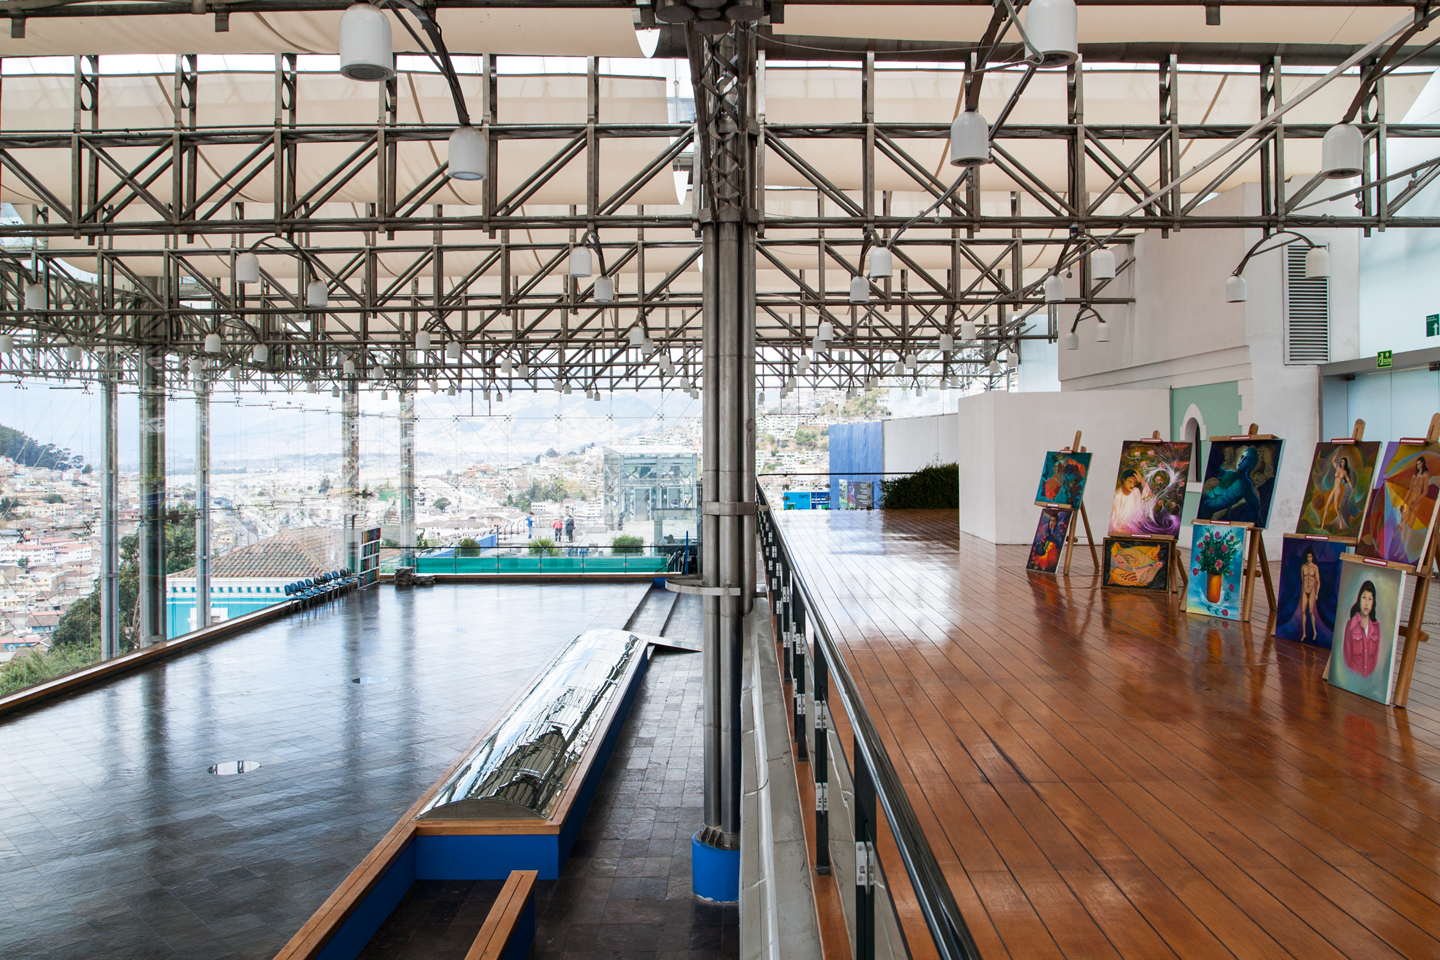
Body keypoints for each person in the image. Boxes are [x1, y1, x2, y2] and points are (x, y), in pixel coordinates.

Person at [1342, 579, 1382, 677]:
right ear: (1359, 599)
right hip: (1353, 677)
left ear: (1373, 603)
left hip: (1369, 679)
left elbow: (1375, 658)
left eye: (1370, 599)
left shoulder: (1376, 628)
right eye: (1364, 597)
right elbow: (1347, 656)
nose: (1366, 603)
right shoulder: (1350, 625)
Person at [1320, 454, 1355, 530]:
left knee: (1336, 508)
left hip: (1338, 490)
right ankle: (1323, 524)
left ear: (1345, 463)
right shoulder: (1337, 468)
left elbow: (1349, 481)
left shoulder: (1344, 472)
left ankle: (1341, 521)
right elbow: (1333, 460)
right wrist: (1338, 453)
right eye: (1341, 461)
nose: (1342, 463)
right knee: (1327, 506)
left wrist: (1352, 489)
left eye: (1343, 462)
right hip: (1334, 489)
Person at [1110, 468, 1151, 533]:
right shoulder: (1116, 495)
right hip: (1118, 531)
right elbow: (1113, 520)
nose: (1132, 485)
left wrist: (1142, 481)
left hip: (1134, 529)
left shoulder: (1136, 491)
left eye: (1134, 482)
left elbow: (1144, 506)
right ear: (1123, 480)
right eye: (1130, 482)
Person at [1400, 455, 1433, 526]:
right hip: (1411, 499)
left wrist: (1414, 504)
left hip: (1417, 500)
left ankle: (1407, 534)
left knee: (1411, 523)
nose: (1418, 465)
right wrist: (1403, 502)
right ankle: (1401, 533)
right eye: (1417, 464)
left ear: (1423, 463)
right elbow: (1410, 489)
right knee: (1405, 521)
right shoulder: (1415, 475)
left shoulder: (1425, 474)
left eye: (1419, 463)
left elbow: (1425, 492)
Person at [1298, 547, 1321, 644]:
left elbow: (1318, 581)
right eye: (1308, 557)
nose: (1309, 558)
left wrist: (1316, 594)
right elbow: (1302, 580)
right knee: (1303, 611)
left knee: (1311, 611)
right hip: (1304, 590)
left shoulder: (1315, 567)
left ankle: (1314, 631)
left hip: (1311, 590)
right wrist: (1302, 591)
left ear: (1312, 557)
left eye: (1310, 557)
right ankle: (1304, 633)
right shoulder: (1303, 567)